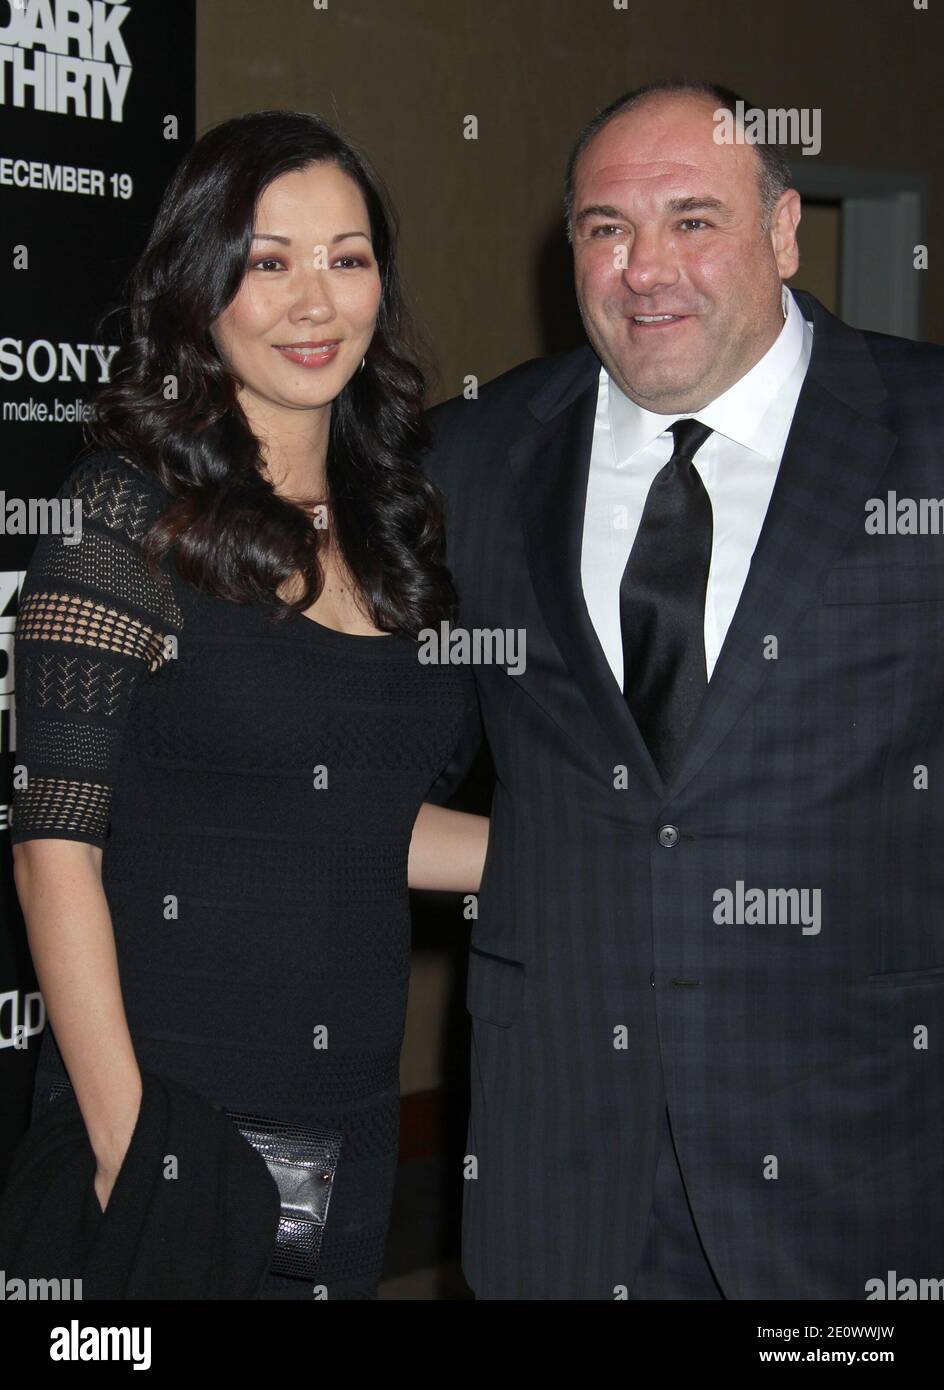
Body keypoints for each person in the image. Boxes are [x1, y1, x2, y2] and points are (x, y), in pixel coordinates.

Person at [423, 80, 944, 1299]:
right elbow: (377, 761)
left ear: (781, 230)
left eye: (692, 220)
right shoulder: (474, 457)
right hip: (562, 1160)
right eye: (606, 228)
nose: (645, 268)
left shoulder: (926, 430)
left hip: (859, 1157)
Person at [10, 108, 488, 1301]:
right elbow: (51, 852)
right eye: (267, 262)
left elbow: (356, 820)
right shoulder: (124, 517)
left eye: (347, 257)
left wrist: (612, 858)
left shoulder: (400, 528)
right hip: (172, 1131)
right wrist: (136, 1154)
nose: (313, 301)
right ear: (199, 286)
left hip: (348, 1130)